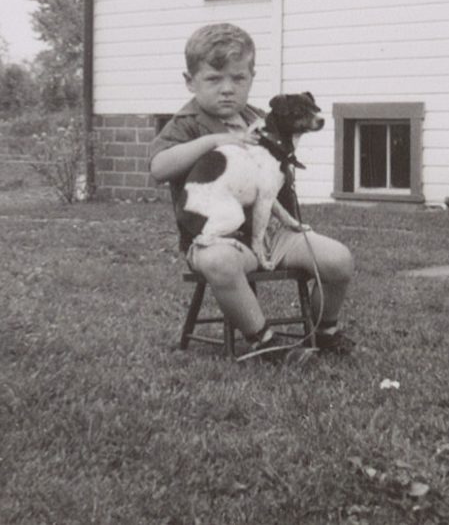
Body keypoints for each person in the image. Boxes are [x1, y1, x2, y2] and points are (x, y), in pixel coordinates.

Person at [150, 22, 355, 361]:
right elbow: (158, 167)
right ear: (190, 81)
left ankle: (325, 331)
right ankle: (266, 341)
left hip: (274, 233)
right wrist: (213, 141)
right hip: (216, 236)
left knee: (338, 260)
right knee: (219, 262)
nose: (227, 89)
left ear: (252, 78)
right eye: (214, 79)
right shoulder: (186, 124)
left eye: (238, 78)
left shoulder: (262, 118)